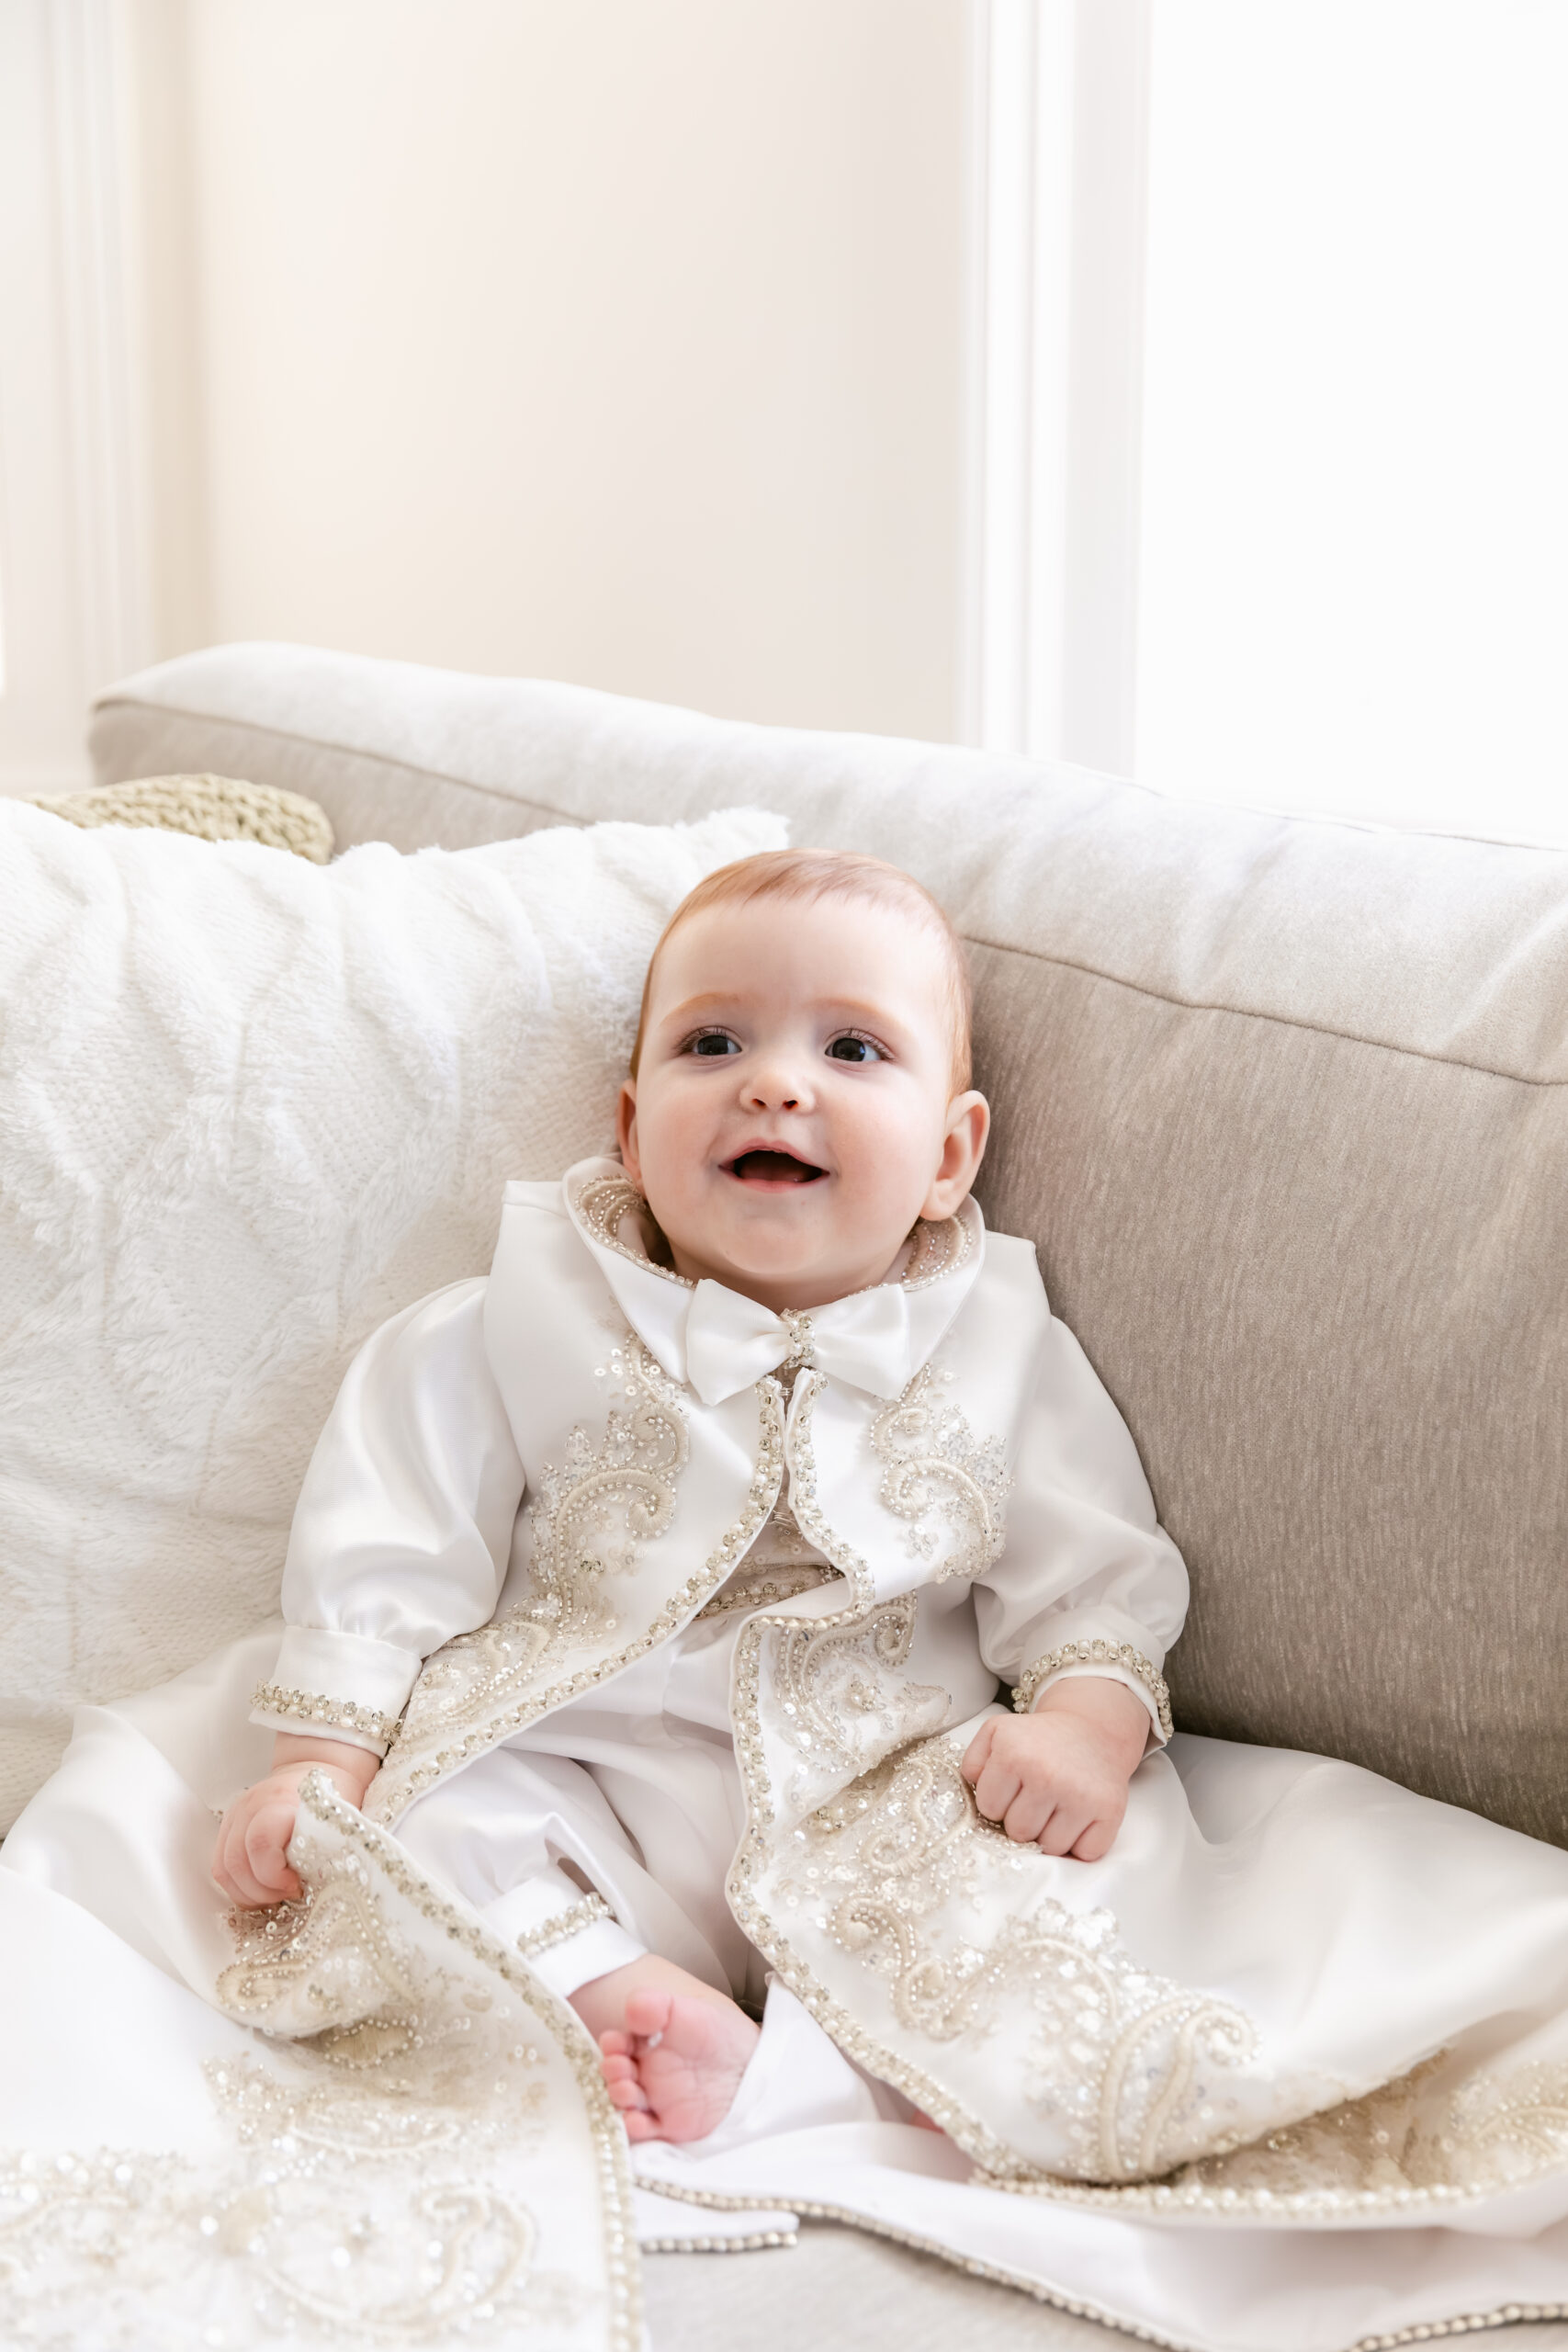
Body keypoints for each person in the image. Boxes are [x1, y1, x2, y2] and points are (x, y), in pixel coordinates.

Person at [211, 847, 1190, 2156]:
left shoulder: (1002, 1345)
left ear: (951, 1154)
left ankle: (818, 2076)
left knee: (1056, 1897)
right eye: (714, 1042)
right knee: (423, 1829)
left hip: (883, 1791)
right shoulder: (523, 1316)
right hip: (589, 1766)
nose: (773, 1082)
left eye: (852, 1050)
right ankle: (616, 1987)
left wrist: (1085, 1727)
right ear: (630, 1130)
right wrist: (318, 1766)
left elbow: (1095, 1573)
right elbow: (389, 1536)